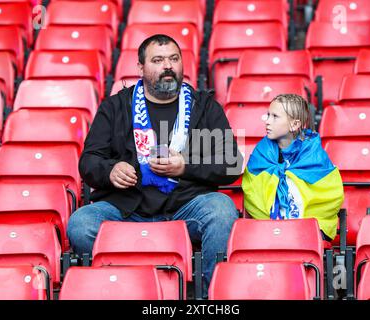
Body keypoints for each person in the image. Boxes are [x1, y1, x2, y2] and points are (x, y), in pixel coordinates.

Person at [67, 34, 243, 296]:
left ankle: (210, 297)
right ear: (141, 68)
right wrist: (111, 171)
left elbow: (231, 163)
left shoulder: (204, 107)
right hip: (127, 208)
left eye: (174, 59)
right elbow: (89, 161)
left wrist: (185, 166)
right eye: (158, 60)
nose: (167, 66)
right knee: (81, 224)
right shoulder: (116, 107)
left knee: (221, 210)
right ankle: (116, 290)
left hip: (186, 207)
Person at [242, 94, 344, 241]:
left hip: (310, 229)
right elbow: (252, 191)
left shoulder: (314, 155)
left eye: (275, 117)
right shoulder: (262, 152)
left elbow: (329, 193)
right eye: (268, 115)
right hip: (266, 229)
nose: (267, 121)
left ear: (294, 125)